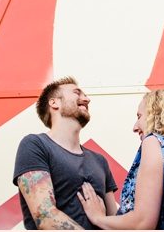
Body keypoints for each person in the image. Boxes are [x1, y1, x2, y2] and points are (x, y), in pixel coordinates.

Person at [78, 89, 164, 230]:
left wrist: (98, 218)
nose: (135, 127)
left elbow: (142, 223)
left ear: (157, 115)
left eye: (139, 116)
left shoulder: (153, 142)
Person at [13, 76, 118, 229]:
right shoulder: (35, 145)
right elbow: (45, 216)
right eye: (77, 93)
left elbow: (114, 221)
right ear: (54, 102)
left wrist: (101, 220)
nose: (87, 99)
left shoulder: (100, 160)